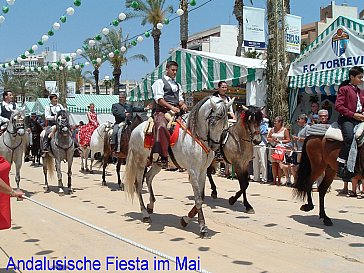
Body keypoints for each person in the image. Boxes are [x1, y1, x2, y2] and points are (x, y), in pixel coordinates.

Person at [151, 60, 188, 165]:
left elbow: (179, 99)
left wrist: (182, 104)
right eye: (173, 70)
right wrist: (171, 107)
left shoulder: (177, 84)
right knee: (161, 127)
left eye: (176, 70)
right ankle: (161, 155)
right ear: (167, 70)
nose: (175, 72)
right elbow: (159, 99)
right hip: (162, 111)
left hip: (176, 111)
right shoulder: (159, 82)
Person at [335, 66, 364, 182]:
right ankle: (341, 165)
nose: (361, 80)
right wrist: (353, 114)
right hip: (346, 119)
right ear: (352, 77)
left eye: (362, 77)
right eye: (359, 77)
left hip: (359, 119)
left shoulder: (361, 92)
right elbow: (338, 106)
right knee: (349, 138)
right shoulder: (344, 89)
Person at [267, 116, 290, 185]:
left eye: (276, 121)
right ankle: (274, 180)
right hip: (273, 148)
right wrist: (272, 140)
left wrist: (280, 141)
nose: (274, 122)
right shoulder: (272, 129)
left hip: (280, 149)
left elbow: (288, 139)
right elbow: (268, 138)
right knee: (273, 164)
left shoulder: (285, 130)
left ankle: (279, 180)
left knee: (279, 165)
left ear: (280, 122)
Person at [253, 116, 269, 183]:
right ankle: (256, 177)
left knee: (263, 162)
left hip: (262, 143)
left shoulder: (264, 122)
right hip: (254, 143)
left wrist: (258, 132)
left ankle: (264, 178)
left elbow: (265, 131)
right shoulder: (253, 122)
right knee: (255, 162)